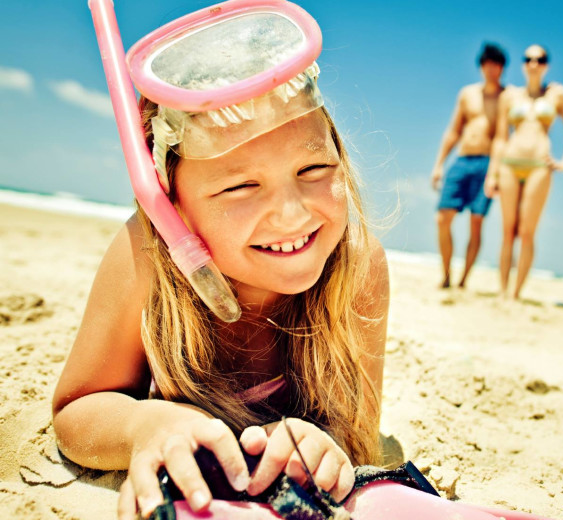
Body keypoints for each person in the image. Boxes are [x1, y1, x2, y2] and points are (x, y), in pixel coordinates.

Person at [52, 3, 388, 519]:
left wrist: (323, 444)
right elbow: (76, 411)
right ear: (172, 205)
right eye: (241, 186)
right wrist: (146, 427)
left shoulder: (356, 268)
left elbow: (358, 437)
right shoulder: (147, 255)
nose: (293, 213)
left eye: (315, 167)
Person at [485, 45, 563, 299]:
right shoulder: (510, 96)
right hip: (509, 163)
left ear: (547, 64)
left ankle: (516, 293)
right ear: (523, 64)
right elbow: (500, 138)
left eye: (540, 59)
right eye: (528, 59)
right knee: (508, 231)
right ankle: (503, 291)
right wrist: (492, 174)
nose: (534, 64)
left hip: (540, 165)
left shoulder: (557, 94)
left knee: (527, 232)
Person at [431, 42, 506, 289]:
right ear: (481, 66)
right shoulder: (468, 94)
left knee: (476, 221)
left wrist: (495, 173)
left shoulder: (507, 98)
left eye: (496, 65)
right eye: (487, 64)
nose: (491, 69)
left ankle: (464, 279)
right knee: (443, 218)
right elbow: (454, 130)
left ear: (502, 68)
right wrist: (439, 164)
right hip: (462, 160)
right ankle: (446, 274)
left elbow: (502, 139)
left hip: (488, 164)